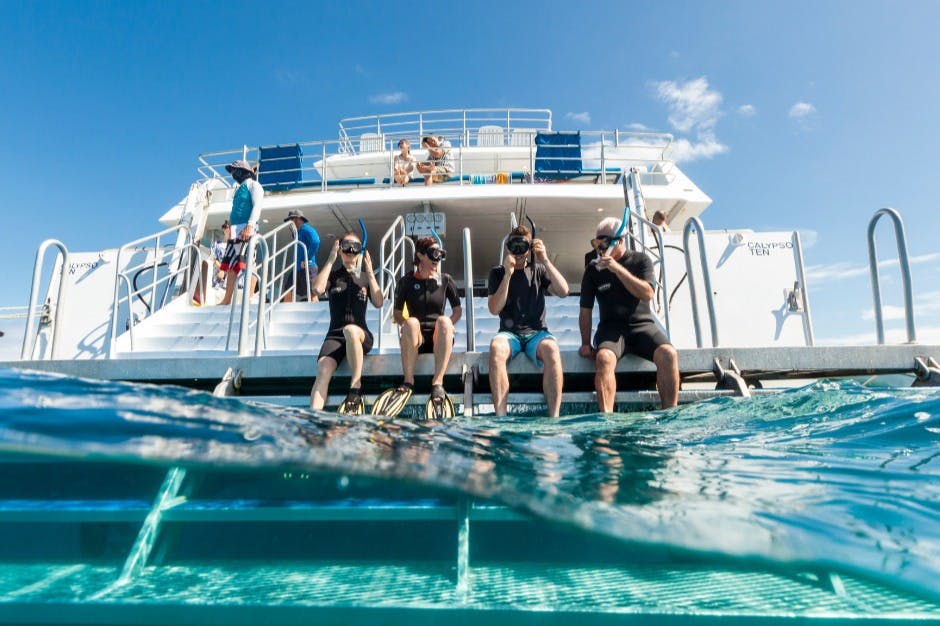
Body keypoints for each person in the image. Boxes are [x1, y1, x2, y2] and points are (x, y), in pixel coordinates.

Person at [579, 217, 679, 411]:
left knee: (668, 353)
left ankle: (670, 412)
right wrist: (585, 343)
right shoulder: (593, 270)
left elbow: (647, 293)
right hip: (611, 329)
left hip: (642, 326)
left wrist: (617, 269)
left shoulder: (641, 260)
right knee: (604, 358)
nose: (599, 248)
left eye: (604, 243)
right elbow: (585, 309)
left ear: (620, 240)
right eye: (595, 243)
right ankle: (606, 419)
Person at [372, 237, 462, 418]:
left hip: (438, 338)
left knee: (445, 321)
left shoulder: (446, 280)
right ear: (420, 256)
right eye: (433, 254)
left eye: (440, 255)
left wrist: (445, 328)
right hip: (416, 339)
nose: (437, 259)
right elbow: (397, 314)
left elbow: (457, 311)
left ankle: (437, 383)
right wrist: (410, 327)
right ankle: (408, 381)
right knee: (411, 322)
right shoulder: (406, 281)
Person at [488, 225, 569, 417]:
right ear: (507, 247)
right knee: (496, 347)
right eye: (514, 246)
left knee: (552, 348)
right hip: (509, 335)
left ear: (530, 248)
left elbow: (564, 291)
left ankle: (554, 417)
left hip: (537, 333)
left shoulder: (538, 271)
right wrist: (508, 274)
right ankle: (501, 416)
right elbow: (494, 309)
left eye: (523, 246)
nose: (518, 252)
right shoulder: (498, 273)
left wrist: (546, 260)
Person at [308, 233, 383, 414]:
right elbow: (317, 289)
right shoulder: (333, 276)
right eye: (346, 247)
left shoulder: (365, 278)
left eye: (355, 248)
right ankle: (314, 416)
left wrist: (371, 274)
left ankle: (355, 387)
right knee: (323, 368)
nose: (350, 251)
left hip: (360, 334)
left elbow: (379, 302)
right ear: (340, 249)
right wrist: (330, 259)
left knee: (350, 330)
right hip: (335, 334)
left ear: (360, 252)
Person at [219, 160, 263, 305]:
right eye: (232, 171)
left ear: (244, 172)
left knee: (249, 263)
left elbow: (257, 206)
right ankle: (227, 299)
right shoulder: (238, 189)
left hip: (246, 230)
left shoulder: (254, 185)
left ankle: (249, 297)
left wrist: (250, 226)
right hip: (235, 231)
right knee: (232, 266)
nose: (233, 174)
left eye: (235, 170)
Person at [281, 209, 320, 302]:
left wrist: (307, 259)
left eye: (291, 220)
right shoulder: (297, 233)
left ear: (297, 219)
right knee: (288, 290)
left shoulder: (306, 229)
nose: (290, 223)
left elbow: (316, 241)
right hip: (297, 268)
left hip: (308, 267)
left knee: (312, 293)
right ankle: (287, 313)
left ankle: (318, 313)